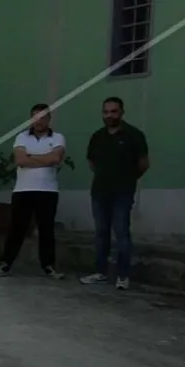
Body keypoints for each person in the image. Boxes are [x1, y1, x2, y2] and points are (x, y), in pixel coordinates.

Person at [79, 97, 149, 290]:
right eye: (106, 112)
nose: (109, 115)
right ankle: (101, 272)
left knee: (122, 233)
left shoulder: (134, 135)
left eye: (113, 111)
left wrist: (127, 179)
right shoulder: (97, 136)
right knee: (101, 233)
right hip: (99, 193)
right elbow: (92, 163)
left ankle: (123, 276)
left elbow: (143, 163)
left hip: (122, 193)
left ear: (121, 112)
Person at [0, 104, 67, 279]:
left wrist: (31, 157)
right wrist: (44, 159)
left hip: (47, 191)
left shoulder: (58, 137)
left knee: (46, 230)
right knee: (16, 229)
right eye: (35, 117)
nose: (38, 121)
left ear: (48, 119)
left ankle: (48, 266)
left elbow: (55, 158)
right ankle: (5, 264)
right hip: (23, 190)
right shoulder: (22, 137)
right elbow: (20, 160)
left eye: (42, 117)